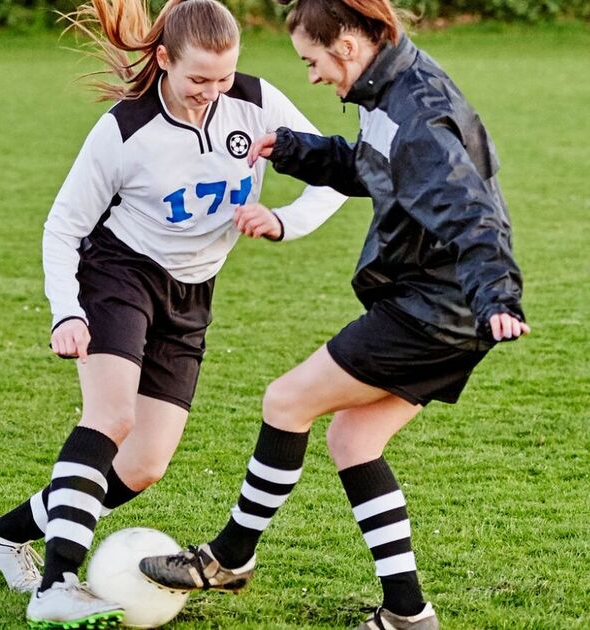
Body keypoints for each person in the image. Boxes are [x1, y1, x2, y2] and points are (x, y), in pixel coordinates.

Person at [138, 1, 527, 628]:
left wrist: (498, 294)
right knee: (353, 439)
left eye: (311, 60)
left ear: (345, 44)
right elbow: (374, 170)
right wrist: (294, 150)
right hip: (440, 307)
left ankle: (229, 559)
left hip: (436, 309)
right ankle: (407, 614)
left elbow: (469, 211)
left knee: (286, 401)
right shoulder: (394, 91)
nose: (313, 75)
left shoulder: (416, 112)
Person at [0, 0, 347, 627]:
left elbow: (334, 174)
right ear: (166, 60)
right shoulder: (125, 130)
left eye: (224, 78)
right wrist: (67, 312)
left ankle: (3, 534)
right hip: (120, 274)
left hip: (193, 292)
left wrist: (284, 221)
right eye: (199, 79)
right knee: (111, 416)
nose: (212, 93)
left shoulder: (255, 102)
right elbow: (62, 227)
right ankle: (57, 584)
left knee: (144, 466)